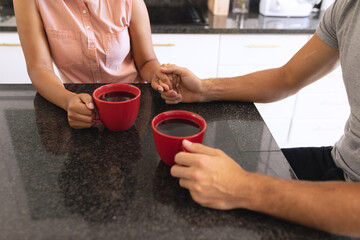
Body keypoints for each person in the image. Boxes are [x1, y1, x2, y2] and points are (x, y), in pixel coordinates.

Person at [159, 0, 360, 237]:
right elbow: (287, 77)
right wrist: (204, 89)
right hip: (339, 162)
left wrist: (241, 186)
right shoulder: (348, 7)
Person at [13, 0, 173, 129]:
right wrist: (67, 100)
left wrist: (158, 76)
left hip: (131, 108)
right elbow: (39, 68)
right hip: (79, 108)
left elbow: (146, 62)